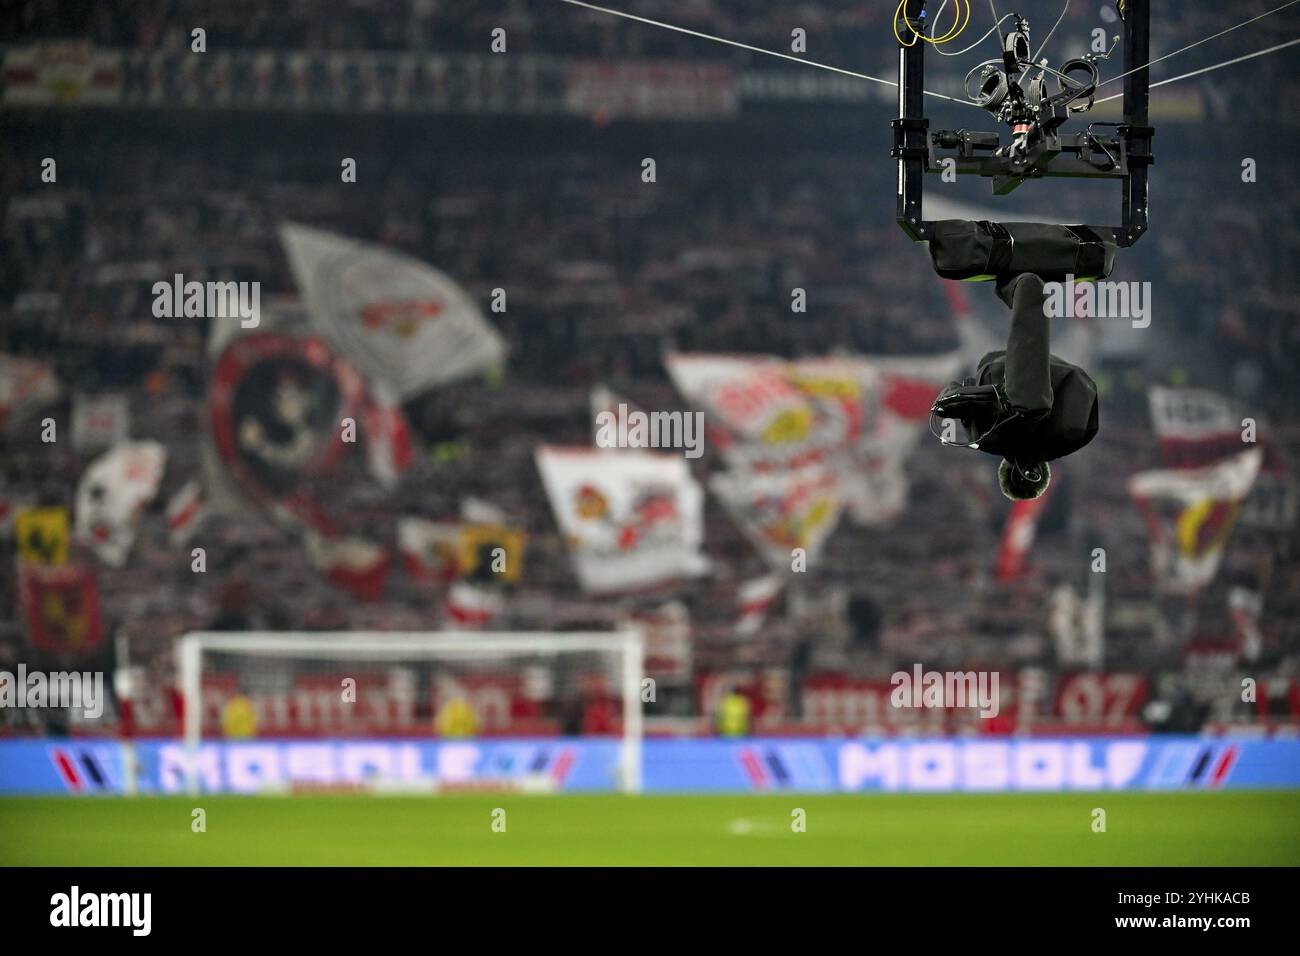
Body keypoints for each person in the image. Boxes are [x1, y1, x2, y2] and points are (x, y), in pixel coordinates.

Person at [932, 272, 1099, 499]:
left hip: (1033, 365)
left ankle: (1081, 262)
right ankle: (1080, 261)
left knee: (966, 322)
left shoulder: (1066, 438)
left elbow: (1083, 393)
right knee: (1082, 333)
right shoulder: (988, 437)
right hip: (1026, 365)